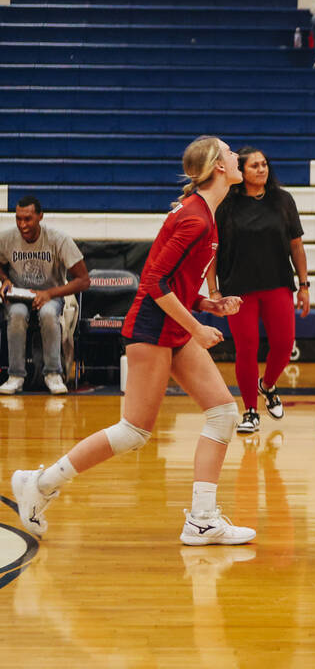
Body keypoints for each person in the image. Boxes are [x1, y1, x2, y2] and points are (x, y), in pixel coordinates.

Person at [11, 137, 256, 546]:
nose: (238, 157)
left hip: (169, 324)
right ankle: (40, 483)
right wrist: (196, 327)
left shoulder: (203, 213)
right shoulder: (196, 217)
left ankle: (202, 519)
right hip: (151, 327)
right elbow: (153, 281)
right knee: (133, 432)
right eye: (231, 153)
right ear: (217, 167)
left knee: (223, 414)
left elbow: (171, 281)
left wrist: (207, 305)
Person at [208, 147, 310, 435]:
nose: (261, 169)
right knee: (247, 349)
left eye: (264, 164)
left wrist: (303, 285)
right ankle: (251, 411)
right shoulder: (226, 204)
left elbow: (296, 246)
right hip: (238, 288)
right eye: (254, 165)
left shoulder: (283, 200)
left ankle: (268, 385)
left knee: (283, 344)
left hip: (277, 283)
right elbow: (212, 252)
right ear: (241, 170)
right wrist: (213, 291)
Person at [0, 196, 90, 395]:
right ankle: (15, 376)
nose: (22, 224)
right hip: (19, 296)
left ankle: (53, 374)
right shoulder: (6, 238)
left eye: (28, 219)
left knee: (49, 314)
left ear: (40, 216)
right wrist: (4, 279)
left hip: (52, 295)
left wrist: (48, 293)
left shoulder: (58, 239)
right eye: (18, 219)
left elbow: (84, 280)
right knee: (16, 314)